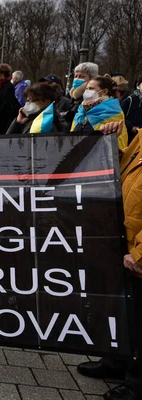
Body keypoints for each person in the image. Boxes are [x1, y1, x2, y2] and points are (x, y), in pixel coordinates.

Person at [77, 121, 142, 400]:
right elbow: (128, 168)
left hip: (137, 250)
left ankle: (137, 384)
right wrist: (111, 146)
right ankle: (117, 361)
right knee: (123, 309)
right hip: (124, 239)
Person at [71, 75, 128, 149]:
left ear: (104, 91)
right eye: (86, 89)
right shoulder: (81, 111)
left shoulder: (113, 112)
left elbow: (118, 145)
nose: (87, 91)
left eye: (91, 89)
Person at [0, 63, 20, 135]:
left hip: (2, 119)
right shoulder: (1, 85)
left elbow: (6, 103)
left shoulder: (8, 86)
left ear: (2, 74)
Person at [66, 62, 99, 127]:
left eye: (82, 76)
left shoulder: (92, 97)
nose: (77, 79)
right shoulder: (72, 97)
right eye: (76, 76)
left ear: (92, 78)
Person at [122, 75, 142, 144]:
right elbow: (121, 116)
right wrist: (131, 127)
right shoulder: (129, 100)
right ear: (138, 85)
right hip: (130, 138)